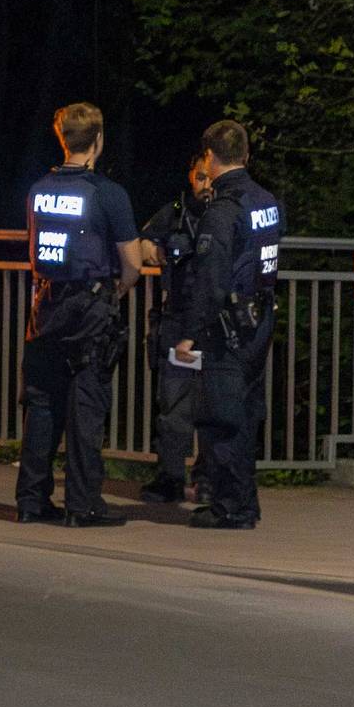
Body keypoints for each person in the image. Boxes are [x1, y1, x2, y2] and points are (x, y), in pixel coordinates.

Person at [16, 103, 142, 527]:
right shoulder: (109, 194)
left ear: (62, 137)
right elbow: (132, 262)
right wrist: (119, 288)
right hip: (90, 312)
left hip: (45, 307)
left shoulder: (37, 189)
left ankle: (31, 502)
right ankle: (82, 505)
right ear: (99, 141)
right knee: (85, 408)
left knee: (43, 406)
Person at [168, 120, 284, 530]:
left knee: (222, 420)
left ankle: (230, 508)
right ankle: (245, 504)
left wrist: (189, 334)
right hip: (258, 321)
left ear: (210, 157)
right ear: (246, 155)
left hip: (227, 329)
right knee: (246, 416)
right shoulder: (267, 201)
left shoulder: (223, 211)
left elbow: (211, 280)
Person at [137, 158, 216, 505]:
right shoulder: (176, 211)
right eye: (199, 177)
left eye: (209, 178)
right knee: (173, 406)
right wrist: (155, 249)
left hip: (214, 321)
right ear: (190, 177)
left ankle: (208, 480)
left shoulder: (227, 212)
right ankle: (170, 478)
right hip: (178, 317)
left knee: (214, 406)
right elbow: (143, 241)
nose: (204, 184)